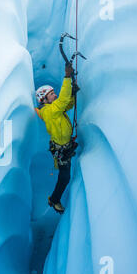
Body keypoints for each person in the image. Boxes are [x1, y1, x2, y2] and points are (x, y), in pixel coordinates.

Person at [35, 64, 78, 214]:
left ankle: (54, 199)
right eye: (51, 94)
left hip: (65, 147)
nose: (55, 95)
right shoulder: (48, 111)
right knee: (64, 177)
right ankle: (54, 200)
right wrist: (67, 78)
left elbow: (67, 103)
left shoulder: (55, 108)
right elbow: (61, 102)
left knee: (65, 175)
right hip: (61, 150)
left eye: (54, 92)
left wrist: (72, 94)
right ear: (44, 100)